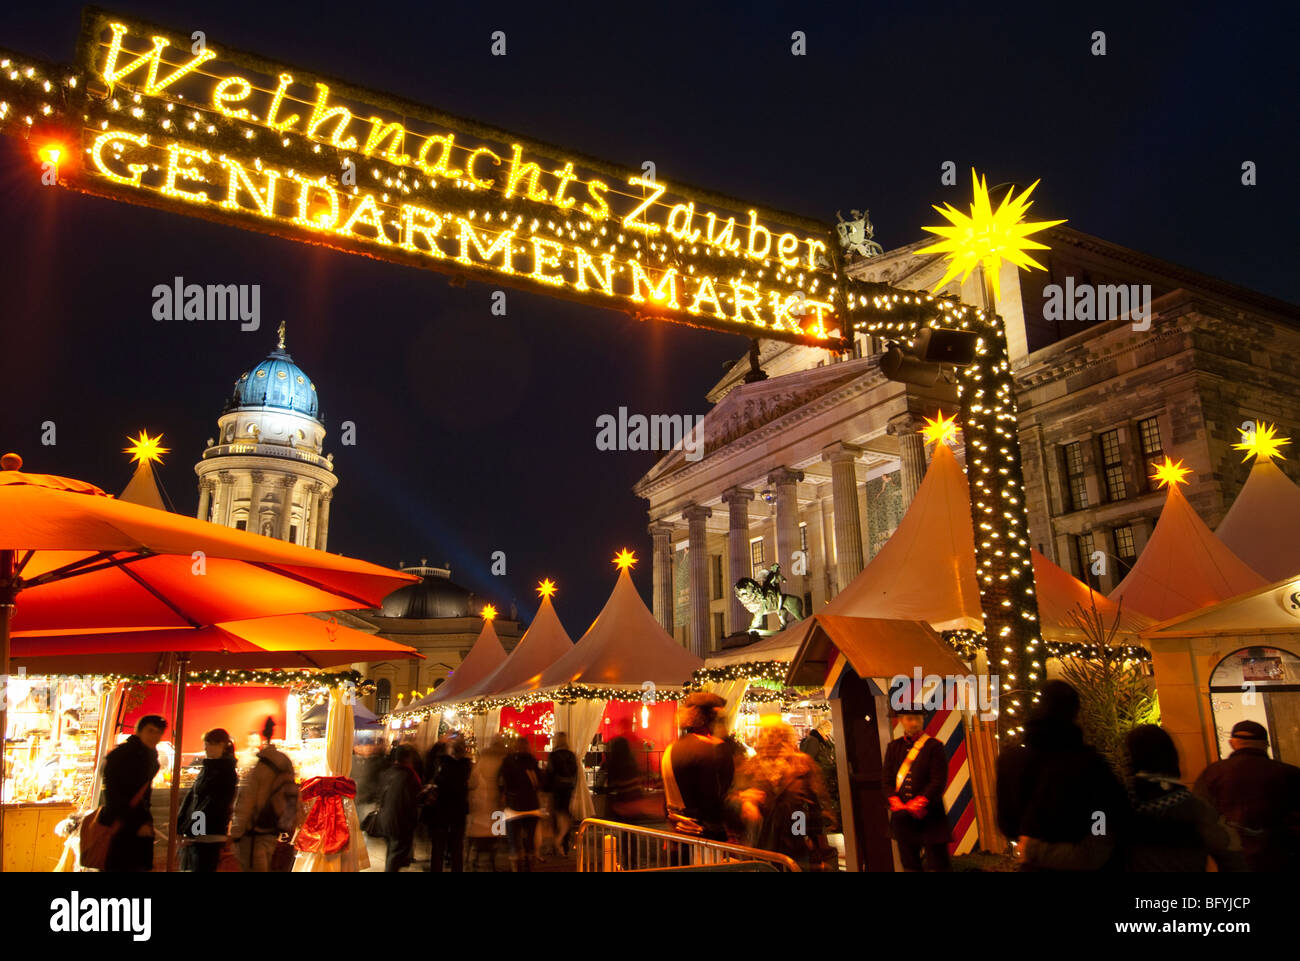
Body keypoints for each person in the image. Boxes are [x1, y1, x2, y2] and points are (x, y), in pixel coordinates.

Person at [996, 680, 1129, 871]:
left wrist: (1030, 840)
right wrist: (1095, 838)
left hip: (1034, 862)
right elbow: (1108, 812)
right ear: (1074, 712)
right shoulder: (1089, 762)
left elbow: (1007, 824)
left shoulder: (1011, 760)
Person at [1124, 725, 1243, 871]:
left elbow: (1099, 841)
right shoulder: (1194, 806)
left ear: (1131, 756)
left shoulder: (1119, 800)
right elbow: (1230, 851)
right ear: (1172, 754)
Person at [729, 716, 836, 870]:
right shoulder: (751, 767)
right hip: (762, 843)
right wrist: (743, 800)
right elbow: (731, 803)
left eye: (774, 734)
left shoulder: (802, 764)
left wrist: (810, 836)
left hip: (796, 841)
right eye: (766, 734)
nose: (769, 739)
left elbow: (817, 805)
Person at [1194, 719, 1300, 871]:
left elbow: (1201, 817)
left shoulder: (1213, 773)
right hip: (1281, 856)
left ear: (1233, 743)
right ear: (1265, 744)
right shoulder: (1289, 773)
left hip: (1233, 858)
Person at [881, 706, 951, 871]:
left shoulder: (934, 746)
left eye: (918, 719)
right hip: (903, 818)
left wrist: (920, 802)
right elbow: (887, 780)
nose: (914, 723)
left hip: (930, 816)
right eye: (909, 719)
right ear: (901, 720)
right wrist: (894, 801)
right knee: (910, 865)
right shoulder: (894, 747)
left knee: (938, 865)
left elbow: (938, 781)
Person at [662, 692, 734, 841]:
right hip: (705, 836)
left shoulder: (672, 747)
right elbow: (716, 798)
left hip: (677, 831)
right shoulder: (714, 749)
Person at [230, 717, 297, 872]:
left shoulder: (259, 768)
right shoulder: (286, 764)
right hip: (275, 829)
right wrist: (288, 824)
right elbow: (293, 796)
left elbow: (246, 801)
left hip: (254, 832)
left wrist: (236, 833)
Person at [100, 715, 166, 872]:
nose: (155, 736)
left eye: (158, 732)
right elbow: (115, 795)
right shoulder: (123, 755)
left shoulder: (148, 754)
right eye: (150, 731)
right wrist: (137, 823)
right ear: (139, 731)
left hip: (135, 822)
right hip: (124, 823)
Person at [177, 728, 238, 872]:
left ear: (222, 746)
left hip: (210, 833)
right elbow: (192, 797)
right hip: (199, 832)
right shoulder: (208, 767)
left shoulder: (226, 772)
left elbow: (212, 804)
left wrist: (191, 829)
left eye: (210, 744)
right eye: (206, 743)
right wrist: (181, 827)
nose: (206, 747)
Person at [426, 736, 471, 872]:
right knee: (457, 849)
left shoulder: (442, 765)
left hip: (441, 812)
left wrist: (439, 744)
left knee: (438, 848)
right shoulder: (467, 768)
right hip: (458, 813)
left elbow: (428, 765)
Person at [498, 736, 542, 872]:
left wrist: (502, 794)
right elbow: (540, 781)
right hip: (531, 804)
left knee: (513, 837)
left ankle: (515, 864)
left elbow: (501, 780)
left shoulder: (508, 761)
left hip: (514, 804)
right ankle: (529, 863)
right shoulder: (532, 762)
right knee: (530, 837)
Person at [376, 743, 422, 872]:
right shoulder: (409, 776)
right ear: (408, 759)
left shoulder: (387, 773)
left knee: (392, 851)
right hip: (400, 820)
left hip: (386, 818)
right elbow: (413, 799)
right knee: (395, 854)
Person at [467, 735, 509, 871]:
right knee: (496, 831)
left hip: (483, 799)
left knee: (480, 830)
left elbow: (474, 779)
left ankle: (476, 857)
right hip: (497, 801)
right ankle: (492, 858)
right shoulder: (504, 759)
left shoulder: (484, 759)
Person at [799, 719, 840, 830]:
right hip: (818, 777)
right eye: (828, 729)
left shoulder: (816, 740)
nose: (829, 732)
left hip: (820, 777)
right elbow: (810, 759)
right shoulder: (814, 741)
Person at [547, 733, 579, 856]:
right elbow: (576, 773)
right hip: (568, 789)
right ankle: (564, 844)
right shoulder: (571, 755)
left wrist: (547, 789)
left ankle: (557, 842)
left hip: (556, 789)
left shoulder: (554, 756)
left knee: (556, 816)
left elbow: (550, 773)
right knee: (565, 814)